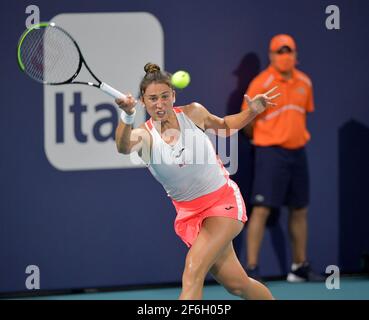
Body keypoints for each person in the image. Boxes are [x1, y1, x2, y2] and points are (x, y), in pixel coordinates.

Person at [115, 63, 280, 300]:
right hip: (190, 214)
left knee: (193, 269)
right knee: (238, 284)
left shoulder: (193, 113)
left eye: (164, 96)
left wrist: (252, 111)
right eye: (152, 99)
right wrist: (127, 115)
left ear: (173, 95)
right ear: (143, 101)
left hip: (223, 201)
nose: (159, 104)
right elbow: (122, 147)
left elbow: (225, 126)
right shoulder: (144, 135)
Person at [241, 34, 322, 282]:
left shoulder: (305, 83)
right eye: (280, 51)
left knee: (299, 209)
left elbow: (303, 115)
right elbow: (246, 121)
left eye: (289, 51)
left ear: (296, 55)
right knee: (262, 208)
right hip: (270, 152)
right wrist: (265, 138)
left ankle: (299, 267)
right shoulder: (261, 83)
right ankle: (252, 270)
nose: (285, 56)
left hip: (297, 152)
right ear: (271, 55)